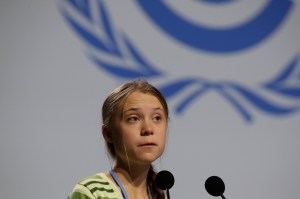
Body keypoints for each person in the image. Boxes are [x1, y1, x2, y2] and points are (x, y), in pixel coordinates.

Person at [68, 80, 169, 199]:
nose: (148, 129)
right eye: (133, 118)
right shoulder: (91, 192)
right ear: (108, 134)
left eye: (157, 117)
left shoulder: (161, 193)